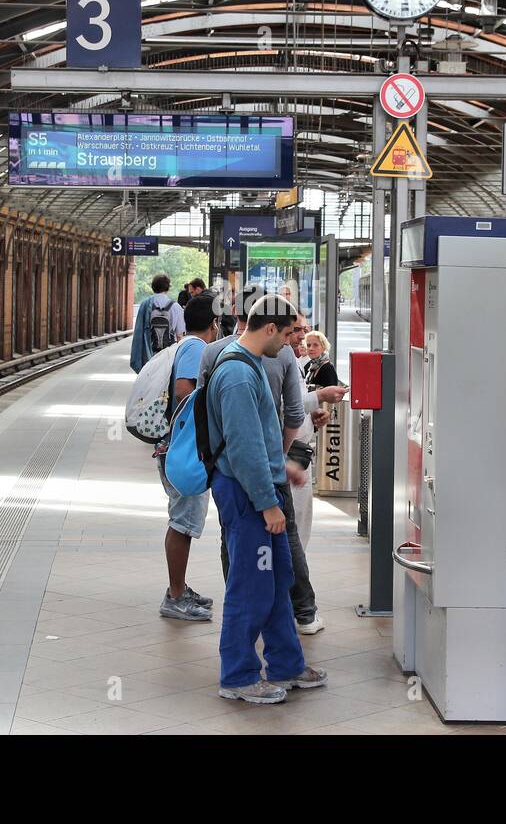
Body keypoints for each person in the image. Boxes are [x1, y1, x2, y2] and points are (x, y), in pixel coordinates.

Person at [204, 293, 327, 704]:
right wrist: (267, 502)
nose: (294, 342)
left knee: (277, 581)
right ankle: (237, 675)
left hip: (263, 484)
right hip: (246, 494)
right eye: (290, 333)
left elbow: (263, 435)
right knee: (250, 586)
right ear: (269, 328)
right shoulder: (238, 375)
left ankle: (287, 664)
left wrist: (282, 469)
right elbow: (243, 447)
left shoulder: (253, 363)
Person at [156, 292, 221, 622]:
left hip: (178, 446)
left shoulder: (188, 345)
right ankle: (175, 596)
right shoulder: (197, 347)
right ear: (214, 323)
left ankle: (179, 587)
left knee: (183, 520)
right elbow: (184, 389)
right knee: (182, 523)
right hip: (183, 449)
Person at [130, 274, 185, 373]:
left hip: (149, 356)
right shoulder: (176, 306)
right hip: (169, 356)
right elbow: (180, 336)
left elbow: (138, 333)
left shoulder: (145, 305)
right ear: (168, 287)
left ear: (153, 287)